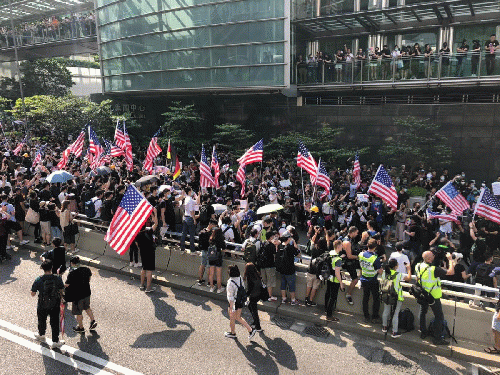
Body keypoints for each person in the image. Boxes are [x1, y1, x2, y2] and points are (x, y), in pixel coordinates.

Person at [416, 250, 456, 345]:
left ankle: (423, 332)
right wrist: (450, 260)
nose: (434, 256)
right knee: (439, 316)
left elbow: (418, 279)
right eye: (433, 255)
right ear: (430, 259)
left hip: (423, 293)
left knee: (422, 312)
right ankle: (437, 338)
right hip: (433, 296)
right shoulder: (434, 269)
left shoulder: (418, 265)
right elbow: (451, 272)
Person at [31, 260, 65, 349]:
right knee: (54, 322)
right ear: (52, 268)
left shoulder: (39, 279)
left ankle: (41, 335)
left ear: (43, 268)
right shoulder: (57, 278)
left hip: (42, 303)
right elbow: (62, 290)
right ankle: (55, 341)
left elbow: (33, 293)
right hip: (55, 304)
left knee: (42, 320)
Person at [65, 256, 97, 333]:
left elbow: (67, 285)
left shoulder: (72, 273)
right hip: (86, 293)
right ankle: (93, 321)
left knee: (78, 312)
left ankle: (80, 328)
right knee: (87, 307)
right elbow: (89, 279)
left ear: (72, 263)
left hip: (77, 296)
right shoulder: (86, 269)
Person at [381, 258, 412, 338]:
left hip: (386, 294)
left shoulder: (385, 273)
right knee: (395, 314)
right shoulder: (398, 274)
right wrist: (408, 269)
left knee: (386, 311)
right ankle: (394, 332)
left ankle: (384, 327)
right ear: (396, 266)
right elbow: (409, 278)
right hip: (396, 296)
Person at [225, 264, 256, 340]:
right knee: (238, 317)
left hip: (234, 303)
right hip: (240, 301)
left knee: (232, 317)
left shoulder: (230, 282)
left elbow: (230, 297)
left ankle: (234, 333)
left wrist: (231, 308)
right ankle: (249, 330)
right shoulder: (239, 278)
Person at [359, 239, 383, 323]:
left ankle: (366, 316)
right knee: (376, 299)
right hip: (372, 280)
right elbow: (380, 271)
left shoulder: (361, 254)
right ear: (375, 247)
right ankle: (375, 317)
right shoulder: (375, 258)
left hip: (364, 279)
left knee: (365, 298)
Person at [135, 214, 158, 293]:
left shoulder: (137, 234)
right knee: (149, 270)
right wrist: (154, 213)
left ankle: (141, 285)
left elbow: (137, 244)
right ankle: (148, 288)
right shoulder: (148, 231)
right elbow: (156, 223)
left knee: (143, 268)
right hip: (150, 252)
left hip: (142, 251)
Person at [276, 231, 300, 305]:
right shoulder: (290, 247)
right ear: (288, 238)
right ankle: (293, 300)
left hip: (281, 269)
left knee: (283, 285)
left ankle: (284, 298)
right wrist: (295, 244)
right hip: (289, 269)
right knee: (291, 285)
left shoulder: (280, 246)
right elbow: (298, 254)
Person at [325, 240, 344, 322]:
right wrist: (341, 283)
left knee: (327, 293)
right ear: (338, 246)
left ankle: (326, 309)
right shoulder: (338, 259)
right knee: (333, 297)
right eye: (341, 245)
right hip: (335, 280)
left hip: (329, 277)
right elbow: (337, 273)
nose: (342, 247)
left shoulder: (331, 253)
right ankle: (329, 315)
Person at [341, 226, 360, 305]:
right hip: (348, 263)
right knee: (355, 279)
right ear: (352, 232)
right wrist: (358, 257)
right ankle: (348, 294)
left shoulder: (347, 239)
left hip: (348, 262)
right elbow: (349, 256)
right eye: (356, 233)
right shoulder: (347, 242)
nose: (357, 234)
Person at [258, 230, 278, 301]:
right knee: (270, 281)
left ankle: (264, 294)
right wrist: (276, 245)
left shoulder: (263, 243)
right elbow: (275, 254)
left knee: (264, 281)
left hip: (262, 265)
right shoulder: (271, 245)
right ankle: (269, 296)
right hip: (269, 265)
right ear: (271, 237)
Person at [244, 262, 263, 332]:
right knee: (250, 306)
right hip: (259, 294)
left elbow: (250, 289)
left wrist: (245, 295)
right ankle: (255, 322)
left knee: (254, 311)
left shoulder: (250, 277)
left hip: (254, 295)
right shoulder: (257, 274)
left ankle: (258, 326)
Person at [197, 219, 216, 285]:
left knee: (202, 265)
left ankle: (200, 280)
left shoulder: (202, 231)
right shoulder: (210, 233)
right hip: (209, 251)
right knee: (208, 267)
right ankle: (209, 281)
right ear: (211, 224)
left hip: (203, 250)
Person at [207, 226, 226, 294]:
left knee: (211, 273)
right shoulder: (220, 239)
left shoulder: (211, 238)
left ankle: (212, 287)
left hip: (211, 256)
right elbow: (223, 248)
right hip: (218, 257)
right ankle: (219, 288)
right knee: (218, 274)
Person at [180, 186, 197, 252]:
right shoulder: (189, 200)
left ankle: (182, 248)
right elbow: (191, 211)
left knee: (183, 234)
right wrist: (194, 219)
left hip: (185, 217)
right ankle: (192, 250)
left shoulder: (186, 199)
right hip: (190, 218)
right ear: (189, 191)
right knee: (191, 235)